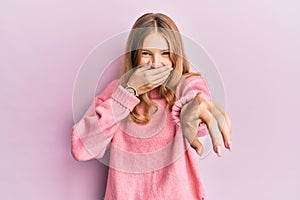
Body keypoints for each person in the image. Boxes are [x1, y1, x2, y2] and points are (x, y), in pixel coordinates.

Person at [71, 13, 232, 200]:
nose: (156, 64)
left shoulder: (187, 85)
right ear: (135, 57)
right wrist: (128, 93)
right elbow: (81, 148)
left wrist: (193, 111)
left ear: (175, 56)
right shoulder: (117, 91)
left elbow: (195, 100)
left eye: (165, 54)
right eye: (146, 54)